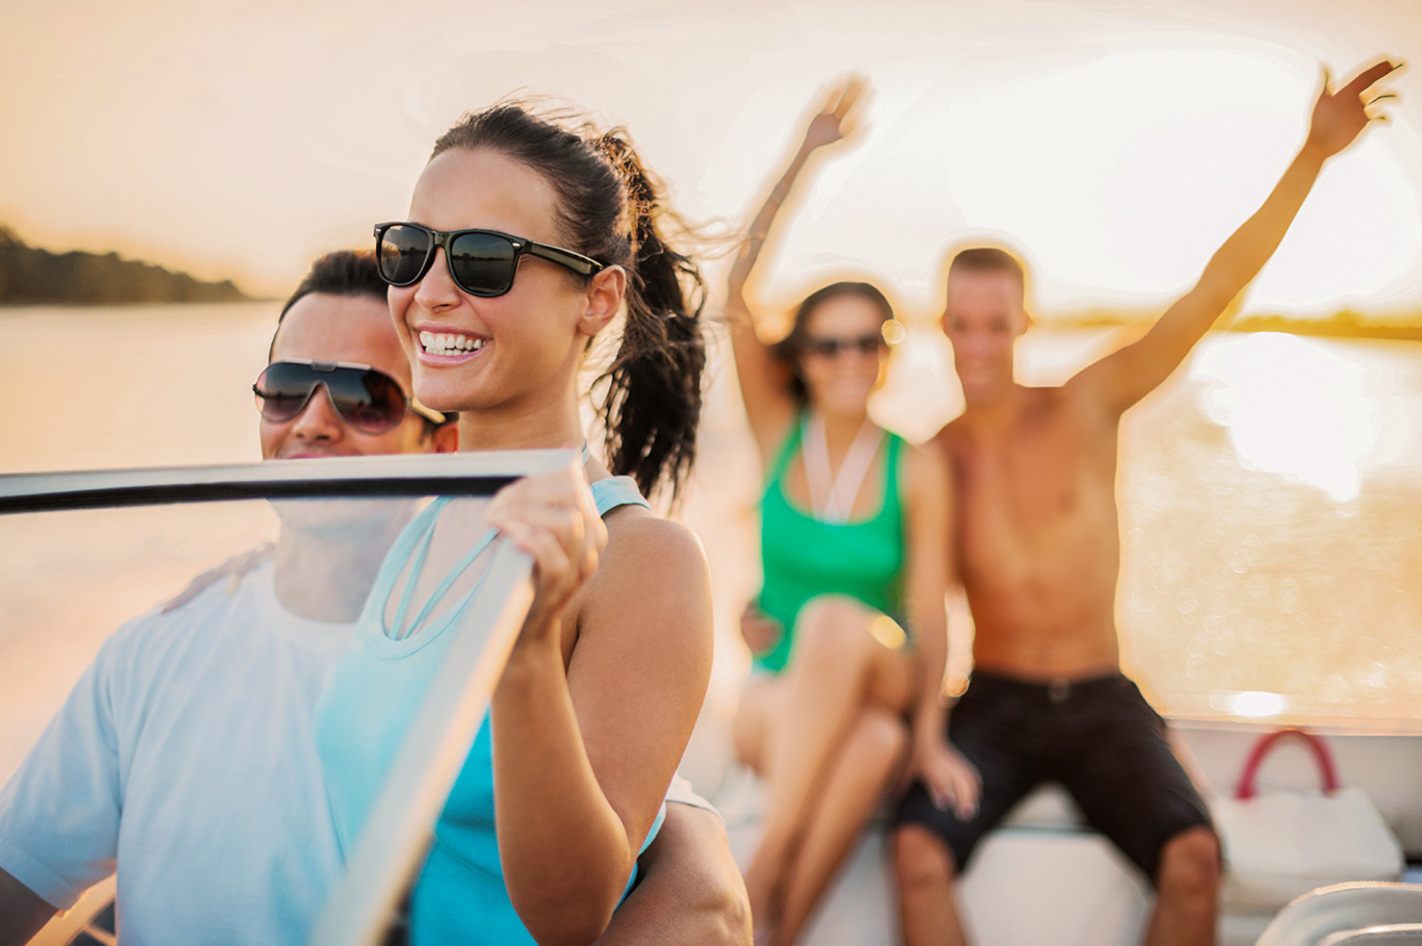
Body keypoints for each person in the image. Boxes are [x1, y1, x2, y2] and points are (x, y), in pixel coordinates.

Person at [0, 250, 749, 945]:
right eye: (287, 391)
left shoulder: (483, 637)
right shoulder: (156, 650)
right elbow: (22, 881)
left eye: (365, 399)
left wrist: (694, 848)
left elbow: (660, 845)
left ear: (443, 447)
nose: (313, 423)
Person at [892, 59, 1401, 946]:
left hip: (1101, 696)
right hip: (995, 704)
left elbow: (1211, 292)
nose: (978, 344)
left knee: (1194, 859)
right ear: (942, 327)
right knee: (915, 855)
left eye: (995, 323)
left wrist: (1311, 156)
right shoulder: (933, 461)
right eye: (961, 324)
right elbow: (899, 594)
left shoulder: (1086, 407)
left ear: (1023, 326)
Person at [310, 102, 719, 946]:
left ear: (597, 300)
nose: (429, 293)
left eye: (485, 259)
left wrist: (526, 651)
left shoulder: (640, 561)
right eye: (410, 251)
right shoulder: (423, 524)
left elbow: (573, 913)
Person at [725, 79, 961, 945]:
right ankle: (777, 929)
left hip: (880, 664)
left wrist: (930, 739)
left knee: (833, 617)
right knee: (863, 749)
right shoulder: (777, 431)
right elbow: (734, 292)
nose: (849, 358)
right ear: (805, 356)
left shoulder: (918, 466)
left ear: (888, 354)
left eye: (868, 341)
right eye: (829, 343)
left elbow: (931, 613)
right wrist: (803, 153)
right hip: (777, 686)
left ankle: (757, 876)